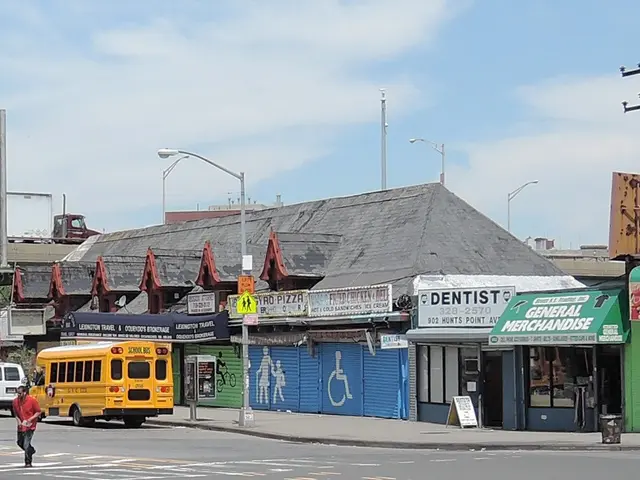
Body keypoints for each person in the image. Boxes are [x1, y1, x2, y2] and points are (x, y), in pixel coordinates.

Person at [12, 385, 41, 468]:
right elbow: (15, 414)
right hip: (21, 425)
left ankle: (28, 462)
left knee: (26, 444)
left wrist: (30, 419)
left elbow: (38, 412)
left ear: (25, 393)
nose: (18, 395)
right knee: (19, 442)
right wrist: (19, 422)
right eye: (17, 393)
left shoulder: (32, 400)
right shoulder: (15, 402)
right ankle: (31, 450)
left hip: (30, 426)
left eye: (20, 393)